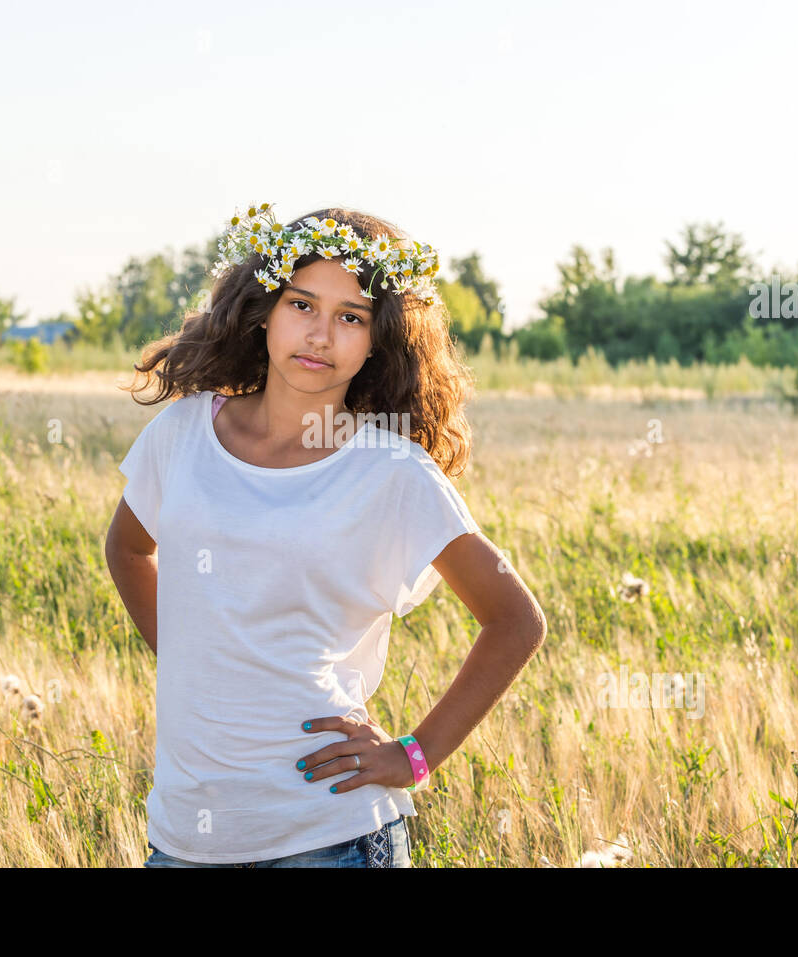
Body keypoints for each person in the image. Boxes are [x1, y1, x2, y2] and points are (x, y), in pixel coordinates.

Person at [105, 203, 547, 867]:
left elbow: (516, 620)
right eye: (302, 305)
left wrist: (413, 754)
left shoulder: (390, 468)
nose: (320, 335)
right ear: (263, 310)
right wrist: (192, 660)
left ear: (378, 339)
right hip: (184, 837)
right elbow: (129, 548)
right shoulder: (184, 433)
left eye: (351, 317)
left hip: (330, 836)